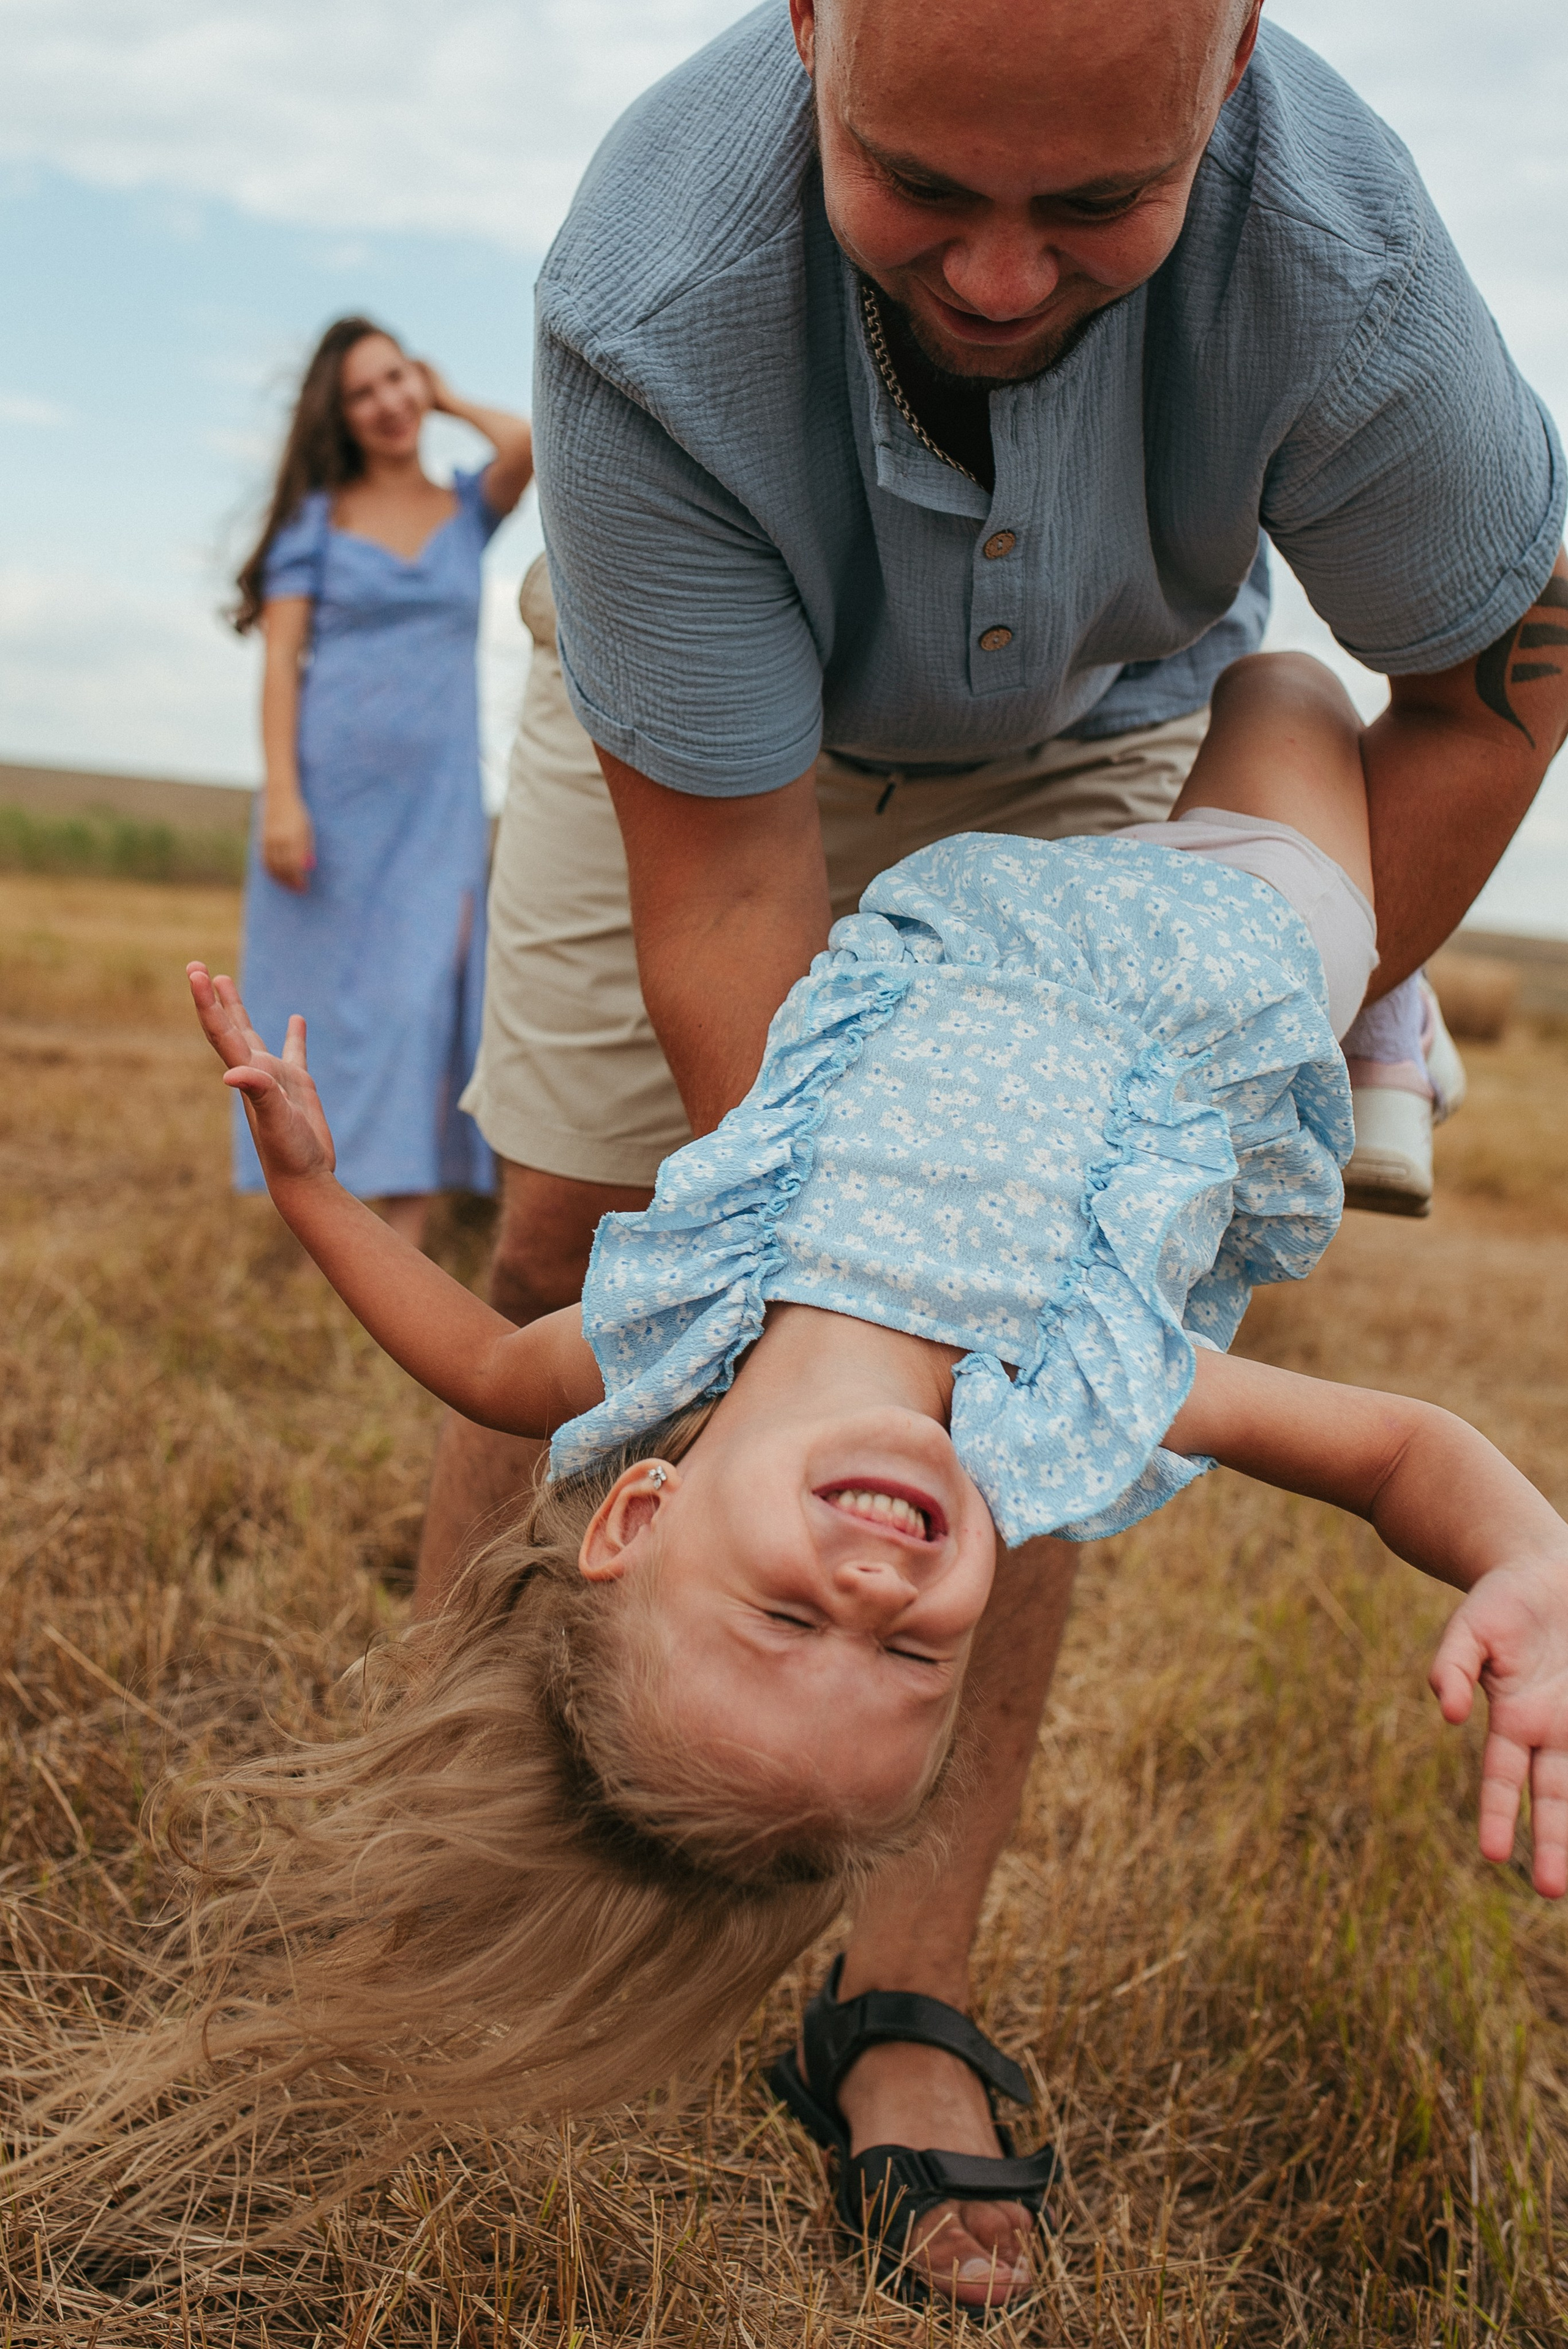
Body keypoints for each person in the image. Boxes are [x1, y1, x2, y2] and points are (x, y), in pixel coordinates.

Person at [429, 0, 1568, 2305]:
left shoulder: (1345, 269)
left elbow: (1491, 669)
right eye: (925, 188)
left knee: (1005, 1346)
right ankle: (506, 1820)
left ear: (1234, 60)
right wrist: (813, 1248)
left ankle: (898, 1995)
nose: (1002, 280)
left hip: (1112, 724)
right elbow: (737, 895)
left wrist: (1212, 1025)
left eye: (1099, 207)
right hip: (702, 742)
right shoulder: (646, 299)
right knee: (567, 1234)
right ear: (817, 26)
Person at [188, 650, 1568, 2307]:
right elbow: (1398, 1449)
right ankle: (1378, 1010)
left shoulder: (683, 1323)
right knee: (1282, 686)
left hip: (974, 912)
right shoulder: (1066, 1388)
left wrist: (321, 1197)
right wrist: (1526, 1551)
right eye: (914, 1658)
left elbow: (481, 1364)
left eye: (788, 1615)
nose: (875, 1597)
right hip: (1225, 944)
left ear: (642, 1511)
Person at [230, 315, 534, 1246]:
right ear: (340, 413)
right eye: (364, 392)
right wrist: (283, 795)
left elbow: (526, 443)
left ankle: (404, 1217)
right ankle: (316, 1197)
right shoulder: (314, 520)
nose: (388, 404)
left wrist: (446, 398)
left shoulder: (465, 509)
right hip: (325, 801)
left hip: (436, 805)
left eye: (397, 380)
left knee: (420, 995)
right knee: (316, 1004)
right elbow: (279, 664)